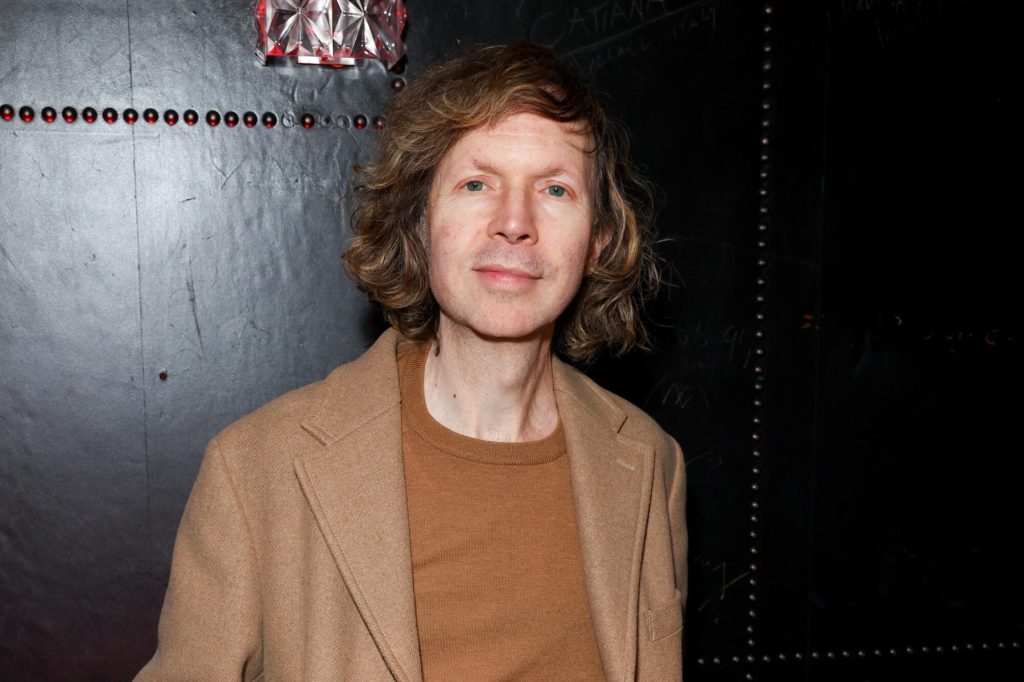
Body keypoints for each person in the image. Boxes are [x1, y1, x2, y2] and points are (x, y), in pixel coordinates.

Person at [136, 43, 686, 681]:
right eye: (476, 184)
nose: (514, 223)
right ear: (420, 224)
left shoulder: (650, 463)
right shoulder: (255, 468)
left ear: (598, 242)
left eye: (556, 189)